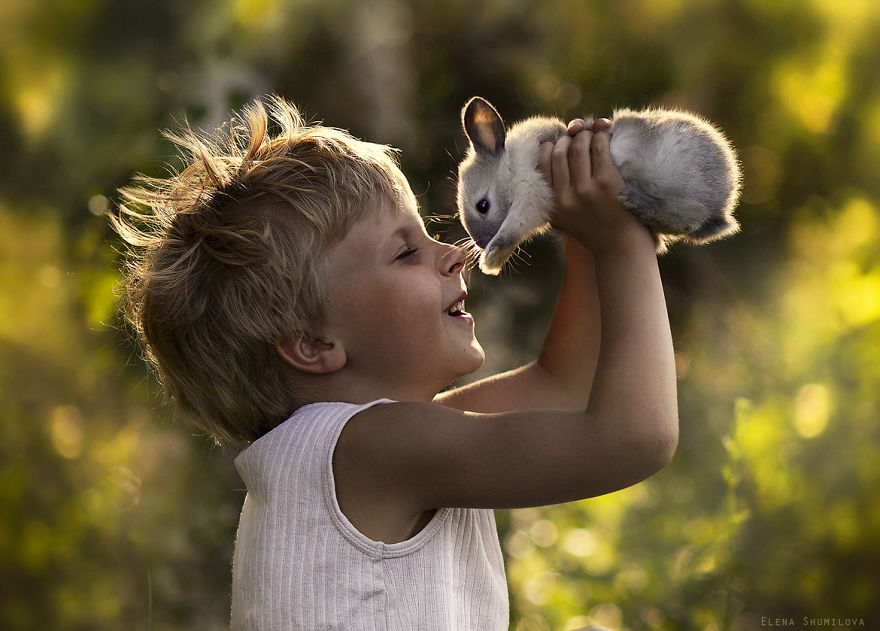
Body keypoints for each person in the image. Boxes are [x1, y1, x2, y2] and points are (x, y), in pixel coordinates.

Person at [111, 95, 678, 630]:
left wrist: (578, 223)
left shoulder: (382, 444)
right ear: (311, 343)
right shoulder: (370, 449)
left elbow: (566, 387)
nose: (454, 253)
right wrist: (621, 244)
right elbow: (635, 438)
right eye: (406, 251)